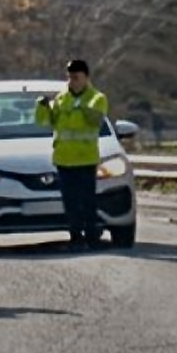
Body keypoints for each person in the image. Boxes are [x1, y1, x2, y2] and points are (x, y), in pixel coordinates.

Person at [35, 59, 110, 251]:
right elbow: (46, 122)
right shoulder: (61, 99)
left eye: (76, 77)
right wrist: (42, 107)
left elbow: (96, 120)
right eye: (69, 77)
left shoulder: (97, 98)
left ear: (86, 77)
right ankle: (75, 238)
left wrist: (81, 106)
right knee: (70, 203)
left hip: (85, 159)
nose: (72, 81)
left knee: (87, 201)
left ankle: (92, 237)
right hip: (64, 159)